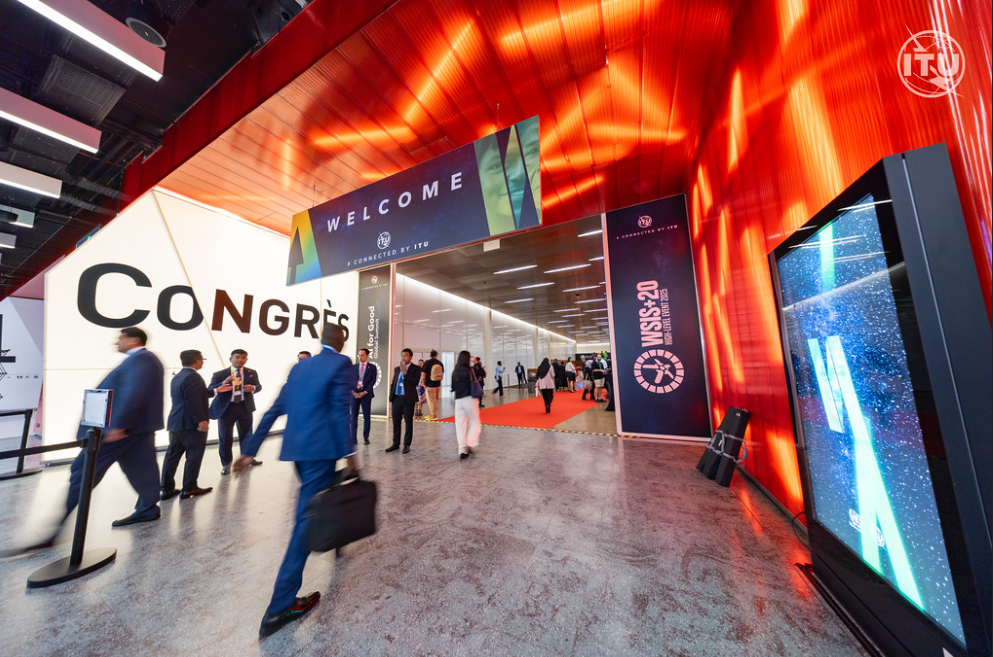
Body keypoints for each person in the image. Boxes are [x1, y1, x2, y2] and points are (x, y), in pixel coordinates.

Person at [232, 324, 357, 639]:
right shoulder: (342, 363)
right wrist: (351, 453)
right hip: (322, 452)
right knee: (306, 520)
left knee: (325, 494)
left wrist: (249, 450)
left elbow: (274, 409)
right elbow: (340, 411)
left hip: (299, 452)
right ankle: (281, 605)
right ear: (341, 341)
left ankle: (336, 538)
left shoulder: (300, 368)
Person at [36, 327, 165, 545]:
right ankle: (148, 509)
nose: (116, 342)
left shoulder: (142, 359)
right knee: (143, 470)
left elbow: (134, 392)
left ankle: (56, 527)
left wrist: (119, 426)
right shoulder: (144, 360)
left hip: (121, 431)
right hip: (135, 429)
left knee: (82, 471)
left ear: (133, 340)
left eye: (120, 338)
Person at [161, 349, 213, 500]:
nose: (202, 362)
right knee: (194, 456)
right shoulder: (193, 377)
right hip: (190, 424)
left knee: (172, 456)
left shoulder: (178, 376)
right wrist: (201, 420)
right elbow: (193, 400)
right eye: (202, 359)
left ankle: (166, 489)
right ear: (197, 361)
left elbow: (192, 395)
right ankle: (189, 488)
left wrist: (216, 390)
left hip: (176, 423)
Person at [208, 348, 263, 475]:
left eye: (243, 357)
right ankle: (226, 464)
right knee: (225, 438)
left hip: (245, 407)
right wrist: (223, 383)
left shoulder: (251, 372)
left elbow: (259, 386)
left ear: (246, 359)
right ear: (230, 359)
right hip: (226, 409)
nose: (240, 360)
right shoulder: (220, 374)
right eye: (237, 357)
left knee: (247, 436)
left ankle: (247, 459)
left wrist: (253, 388)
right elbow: (210, 389)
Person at [387, 348, 421, 453]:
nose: (403, 357)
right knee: (396, 422)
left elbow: (415, 382)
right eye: (402, 355)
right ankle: (395, 443)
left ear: (411, 357)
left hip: (408, 399)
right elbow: (394, 383)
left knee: (408, 423)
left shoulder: (416, 368)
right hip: (396, 398)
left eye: (406, 355)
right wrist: (391, 396)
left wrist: (406, 373)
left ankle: (406, 444)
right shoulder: (397, 369)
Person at [450, 350, 481, 459]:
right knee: (475, 422)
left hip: (458, 400)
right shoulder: (471, 370)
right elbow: (482, 373)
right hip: (470, 399)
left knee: (460, 425)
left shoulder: (455, 371)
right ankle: (470, 443)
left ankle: (462, 450)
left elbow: (453, 387)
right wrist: (476, 362)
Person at [351, 348, 377, 445]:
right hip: (354, 394)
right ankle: (353, 438)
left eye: (362, 355)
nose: (360, 357)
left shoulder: (372, 367)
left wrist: (365, 392)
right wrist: (352, 392)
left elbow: (373, 381)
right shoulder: (353, 367)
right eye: (359, 355)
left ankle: (366, 437)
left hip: (366, 395)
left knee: (366, 416)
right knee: (353, 417)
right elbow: (349, 380)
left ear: (367, 356)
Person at [421, 349, 444, 419]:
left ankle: (433, 415)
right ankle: (433, 413)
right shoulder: (440, 363)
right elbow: (442, 374)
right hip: (438, 384)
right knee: (435, 400)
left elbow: (423, 375)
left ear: (430, 355)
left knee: (431, 400)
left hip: (430, 385)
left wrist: (423, 383)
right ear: (436, 355)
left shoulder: (427, 363)